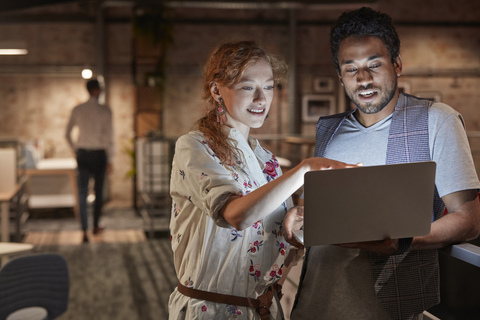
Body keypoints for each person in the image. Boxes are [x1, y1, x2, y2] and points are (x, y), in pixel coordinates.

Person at [283, 7, 480, 320]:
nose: (363, 79)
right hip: (314, 302)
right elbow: (318, 211)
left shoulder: (436, 119)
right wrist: (298, 215)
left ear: (397, 64)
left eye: (374, 65)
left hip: (385, 308)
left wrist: (402, 241)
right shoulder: (329, 129)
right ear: (340, 76)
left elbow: (469, 220)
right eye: (351, 69)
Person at [168, 41, 354, 320]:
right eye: (247, 86)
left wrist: (292, 219)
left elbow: (276, 236)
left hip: (264, 308)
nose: (261, 98)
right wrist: (305, 169)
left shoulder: (265, 158)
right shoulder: (194, 146)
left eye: (269, 87)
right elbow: (236, 215)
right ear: (217, 90)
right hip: (213, 310)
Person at [65, 79, 114, 243]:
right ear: (97, 90)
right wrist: (111, 159)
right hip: (99, 154)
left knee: (82, 192)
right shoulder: (105, 110)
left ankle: (84, 230)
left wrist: (75, 149)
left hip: (83, 154)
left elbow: (67, 133)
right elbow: (110, 137)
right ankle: (95, 225)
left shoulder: (78, 109)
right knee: (98, 192)